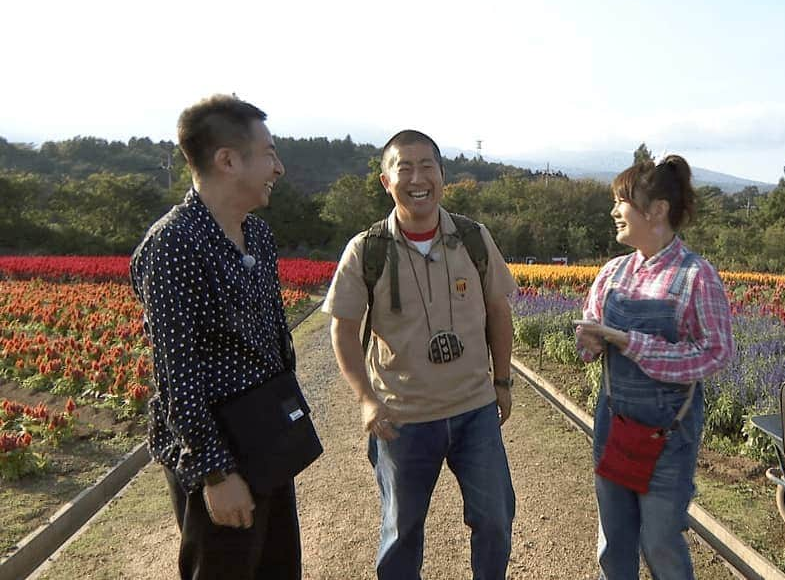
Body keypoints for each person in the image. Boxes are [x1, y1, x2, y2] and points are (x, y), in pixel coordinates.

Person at [324, 129, 518, 580]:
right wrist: (366, 399)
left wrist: (503, 381)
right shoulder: (366, 249)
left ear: (442, 176)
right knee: (401, 531)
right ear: (385, 181)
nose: (417, 177)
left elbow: (498, 311)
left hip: (474, 410)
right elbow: (343, 329)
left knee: (495, 520)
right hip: (402, 417)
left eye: (427, 166)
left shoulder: (473, 238)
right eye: (404, 167)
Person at [130, 94, 301, 579]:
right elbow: (177, 375)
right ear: (227, 160)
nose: (279, 167)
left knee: (279, 568)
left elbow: (272, 341)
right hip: (219, 450)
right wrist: (216, 473)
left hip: (267, 438)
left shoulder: (258, 236)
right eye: (269, 153)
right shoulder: (172, 246)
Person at [576, 155, 734, 580]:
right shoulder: (611, 273)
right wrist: (590, 342)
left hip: (668, 435)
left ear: (657, 210)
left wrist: (633, 343)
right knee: (614, 542)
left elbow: (717, 353)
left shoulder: (696, 276)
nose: (614, 212)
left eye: (621, 201)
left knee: (660, 542)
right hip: (614, 424)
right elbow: (589, 343)